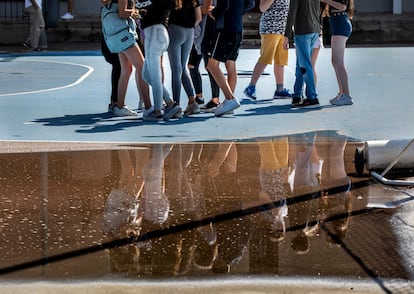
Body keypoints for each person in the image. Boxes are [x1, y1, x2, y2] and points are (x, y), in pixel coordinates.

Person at [101, 0, 152, 117]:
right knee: (143, 68)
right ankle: (148, 107)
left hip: (118, 35)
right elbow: (122, 13)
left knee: (126, 70)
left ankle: (120, 106)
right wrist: (136, 12)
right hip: (124, 35)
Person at [205, 0, 256, 116]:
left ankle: (230, 98)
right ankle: (229, 103)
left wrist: (214, 12)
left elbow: (224, 4)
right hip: (237, 28)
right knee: (230, 64)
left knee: (212, 65)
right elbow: (250, 3)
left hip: (225, 29)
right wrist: (237, 12)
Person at [138, 0, 183, 121]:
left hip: (155, 33)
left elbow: (140, 4)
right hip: (156, 33)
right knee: (146, 75)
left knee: (154, 75)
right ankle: (170, 103)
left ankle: (157, 111)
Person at [243, 0, 291, 100]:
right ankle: (251, 87)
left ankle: (280, 90)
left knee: (281, 61)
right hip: (270, 28)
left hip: (283, 30)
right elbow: (262, 7)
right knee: (265, 58)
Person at [167, 0, 202, 116]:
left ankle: (176, 104)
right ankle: (192, 101)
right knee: (183, 67)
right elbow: (198, 17)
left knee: (176, 70)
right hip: (189, 32)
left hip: (175, 29)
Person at [283, 0, 321, 108]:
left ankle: (312, 97)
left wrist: (286, 35)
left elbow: (292, 13)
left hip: (303, 31)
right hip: (314, 30)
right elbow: (317, 10)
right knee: (301, 63)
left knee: (305, 65)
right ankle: (297, 94)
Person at [321, 0, 354, 106]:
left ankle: (347, 95)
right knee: (335, 61)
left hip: (341, 24)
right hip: (337, 24)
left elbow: (343, 7)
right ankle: (342, 92)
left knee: (339, 62)